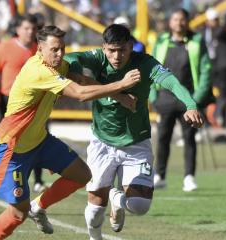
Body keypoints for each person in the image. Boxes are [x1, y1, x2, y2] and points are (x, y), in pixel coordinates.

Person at [0, 25, 141, 240]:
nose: (59, 54)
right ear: (40, 49)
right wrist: (120, 85)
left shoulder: (58, 66)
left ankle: (38, 206)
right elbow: (80, 93)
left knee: (82, 175)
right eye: (54, 50)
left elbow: (82, 81)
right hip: (12, 149)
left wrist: (120, 97)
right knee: (18, 214)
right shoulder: (38, 71)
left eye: (62, 49)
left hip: (39, 141)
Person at [64, 23, 204, 238]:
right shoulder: (96, 58)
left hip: (136, 141)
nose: (117, 55)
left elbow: (172, 82)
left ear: (131, 46)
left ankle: (117, 198)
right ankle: (95, 236)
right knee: (95, 211)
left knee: (139, 205)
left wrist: (191, 104)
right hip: (103, 141)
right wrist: (112, 88)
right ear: (104, 48)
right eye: (111, 50)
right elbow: (70, 60)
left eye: (122, 49)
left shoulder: (144, 63)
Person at [150, 8, 213, 192]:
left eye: (182, 19)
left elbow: (205, 70)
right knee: (162, 138)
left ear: (187, 22)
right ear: (171, 23)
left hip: (188, 98)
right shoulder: (161, 41)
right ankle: (160, 176)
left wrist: (197, 98)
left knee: (189, 138)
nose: (179, 23)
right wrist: (154, 96)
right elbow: (151, 67)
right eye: (175, 19)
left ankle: (189, 177)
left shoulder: (196, 42)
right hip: (164, 98)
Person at [0, 14, 48, 193]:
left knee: (38, 138)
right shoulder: (6, 46)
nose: (30, 32)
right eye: (26, 28)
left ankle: (37, 180)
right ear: (18, 29)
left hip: (33, 103)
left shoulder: (39, 50)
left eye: (33, 29)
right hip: (8, 102)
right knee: (7, 143)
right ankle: (6, 179)